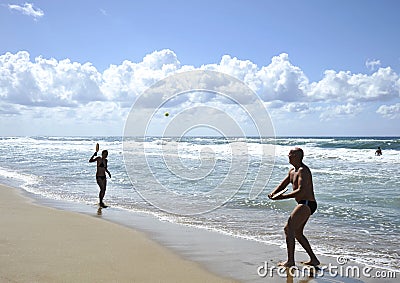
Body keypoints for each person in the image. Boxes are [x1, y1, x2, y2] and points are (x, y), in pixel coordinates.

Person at [268, 147, 320, 267]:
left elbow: (300, 191)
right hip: (303, 203)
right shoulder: (292, 171)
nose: (288, 156)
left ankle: (290, 261)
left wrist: (282, 197)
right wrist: (274, 193)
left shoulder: (303, 170)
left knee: (288, 228)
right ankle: (314, 260)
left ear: (297, 156)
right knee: (297, 233)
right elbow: (283, 184)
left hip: (307, 203)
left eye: (290, 154)